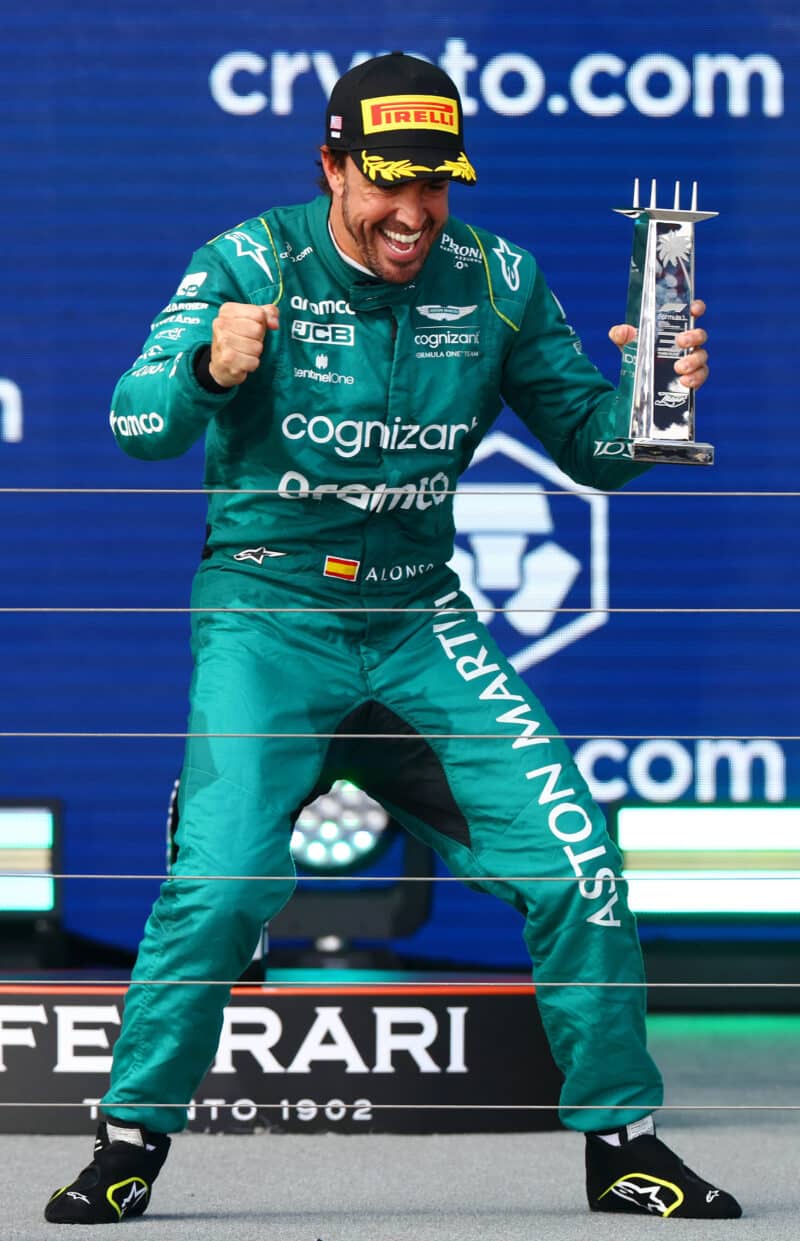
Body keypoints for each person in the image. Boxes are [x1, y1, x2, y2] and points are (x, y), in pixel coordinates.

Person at [45, 52, 741, 1224]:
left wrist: (651, 397)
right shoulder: (248, 260)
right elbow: (137, 425)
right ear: (330, 166)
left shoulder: (499, 277)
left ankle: (623, 1146)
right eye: (386, 183)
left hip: (421, 625)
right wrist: (210, 371)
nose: (412, 213)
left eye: (436, 184)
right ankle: (126, 1145)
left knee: (581, 870)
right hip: (269, 617)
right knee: (218, 889)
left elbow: (594, 454)